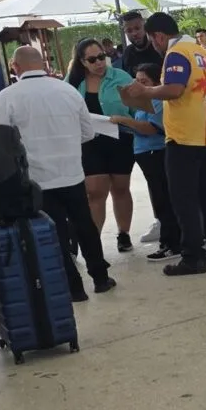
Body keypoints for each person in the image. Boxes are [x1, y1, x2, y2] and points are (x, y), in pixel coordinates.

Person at [0, 46, 116, 302]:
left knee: (55, 233)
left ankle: (74, 288)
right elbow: (88, 133)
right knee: (85, 226)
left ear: (16, 67)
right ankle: (101, 278)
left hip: (37, 180)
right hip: (72, 173)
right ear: (44, 64)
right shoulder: (67, 90)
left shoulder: (8, 96)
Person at [121, 12, 206, 276]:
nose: (154, 45)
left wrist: (145, 91)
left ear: (158, 35)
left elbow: (174, 89)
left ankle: (193, 256)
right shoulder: (201, 51)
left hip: (185, 135)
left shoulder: (176, 53)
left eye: (153, 39)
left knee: (184, 198)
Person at [68, 38, 136, 253]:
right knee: (95, 191)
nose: (99, 62)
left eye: (101, 57)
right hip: (89, 141)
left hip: (120, 138)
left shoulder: (121, 77)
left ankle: (123, 233)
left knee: (120, 187)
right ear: (82, 62)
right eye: (92, 59)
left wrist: (133, 124)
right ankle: (93, 241)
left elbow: (138, 105)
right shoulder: (73, 82)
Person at [108, 63, 181, 262]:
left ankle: (172, 243)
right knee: (158, 197)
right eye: (137, 81)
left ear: (156, 83)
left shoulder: (157, 100)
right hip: (145, 152)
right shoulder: (144, 100)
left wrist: (125, 121)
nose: (138, 85)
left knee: (163, 198)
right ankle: (170, 240)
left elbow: (151, 127)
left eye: (144, 82)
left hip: (155, 152)